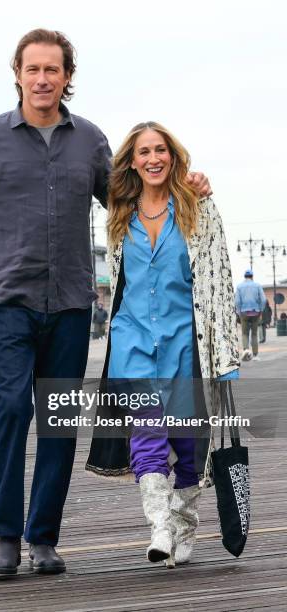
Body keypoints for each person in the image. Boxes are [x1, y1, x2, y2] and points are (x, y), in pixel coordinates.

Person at [0, 29, 212, 576]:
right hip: (7, 300)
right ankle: (5, 537)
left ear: (67, 78)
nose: (43, 79)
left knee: (57, 421)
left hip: (72, 304)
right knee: (9, 409)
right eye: (33, 69)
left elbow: (133, 198)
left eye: (53, 70)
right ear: (18, 74)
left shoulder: (91, 141)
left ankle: (43, 539)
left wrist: (188, 187)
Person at [85, 122, 239, 568]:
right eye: (143, 152)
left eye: (160, 150)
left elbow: (219, 279)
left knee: (190, 445)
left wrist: (225, 351)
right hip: (133, 341)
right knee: (147, 434)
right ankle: (159, 526)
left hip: (185, 343)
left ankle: (184, 523)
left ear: (173, 156)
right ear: (132, 161)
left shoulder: (198, 207)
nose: (153, 158)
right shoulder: (119, 211)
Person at [235, 270, 266, 361]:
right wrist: (260, 310)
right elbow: (263, 300)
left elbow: (237, 301)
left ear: (245, 277)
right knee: (254, 334)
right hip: (255, 312)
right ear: (252, 276)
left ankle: (246, 352)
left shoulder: (239, 286)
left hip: (244, 313)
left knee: (244, 333)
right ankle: (255, 355)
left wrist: (239, 312)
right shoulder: (257, 286)